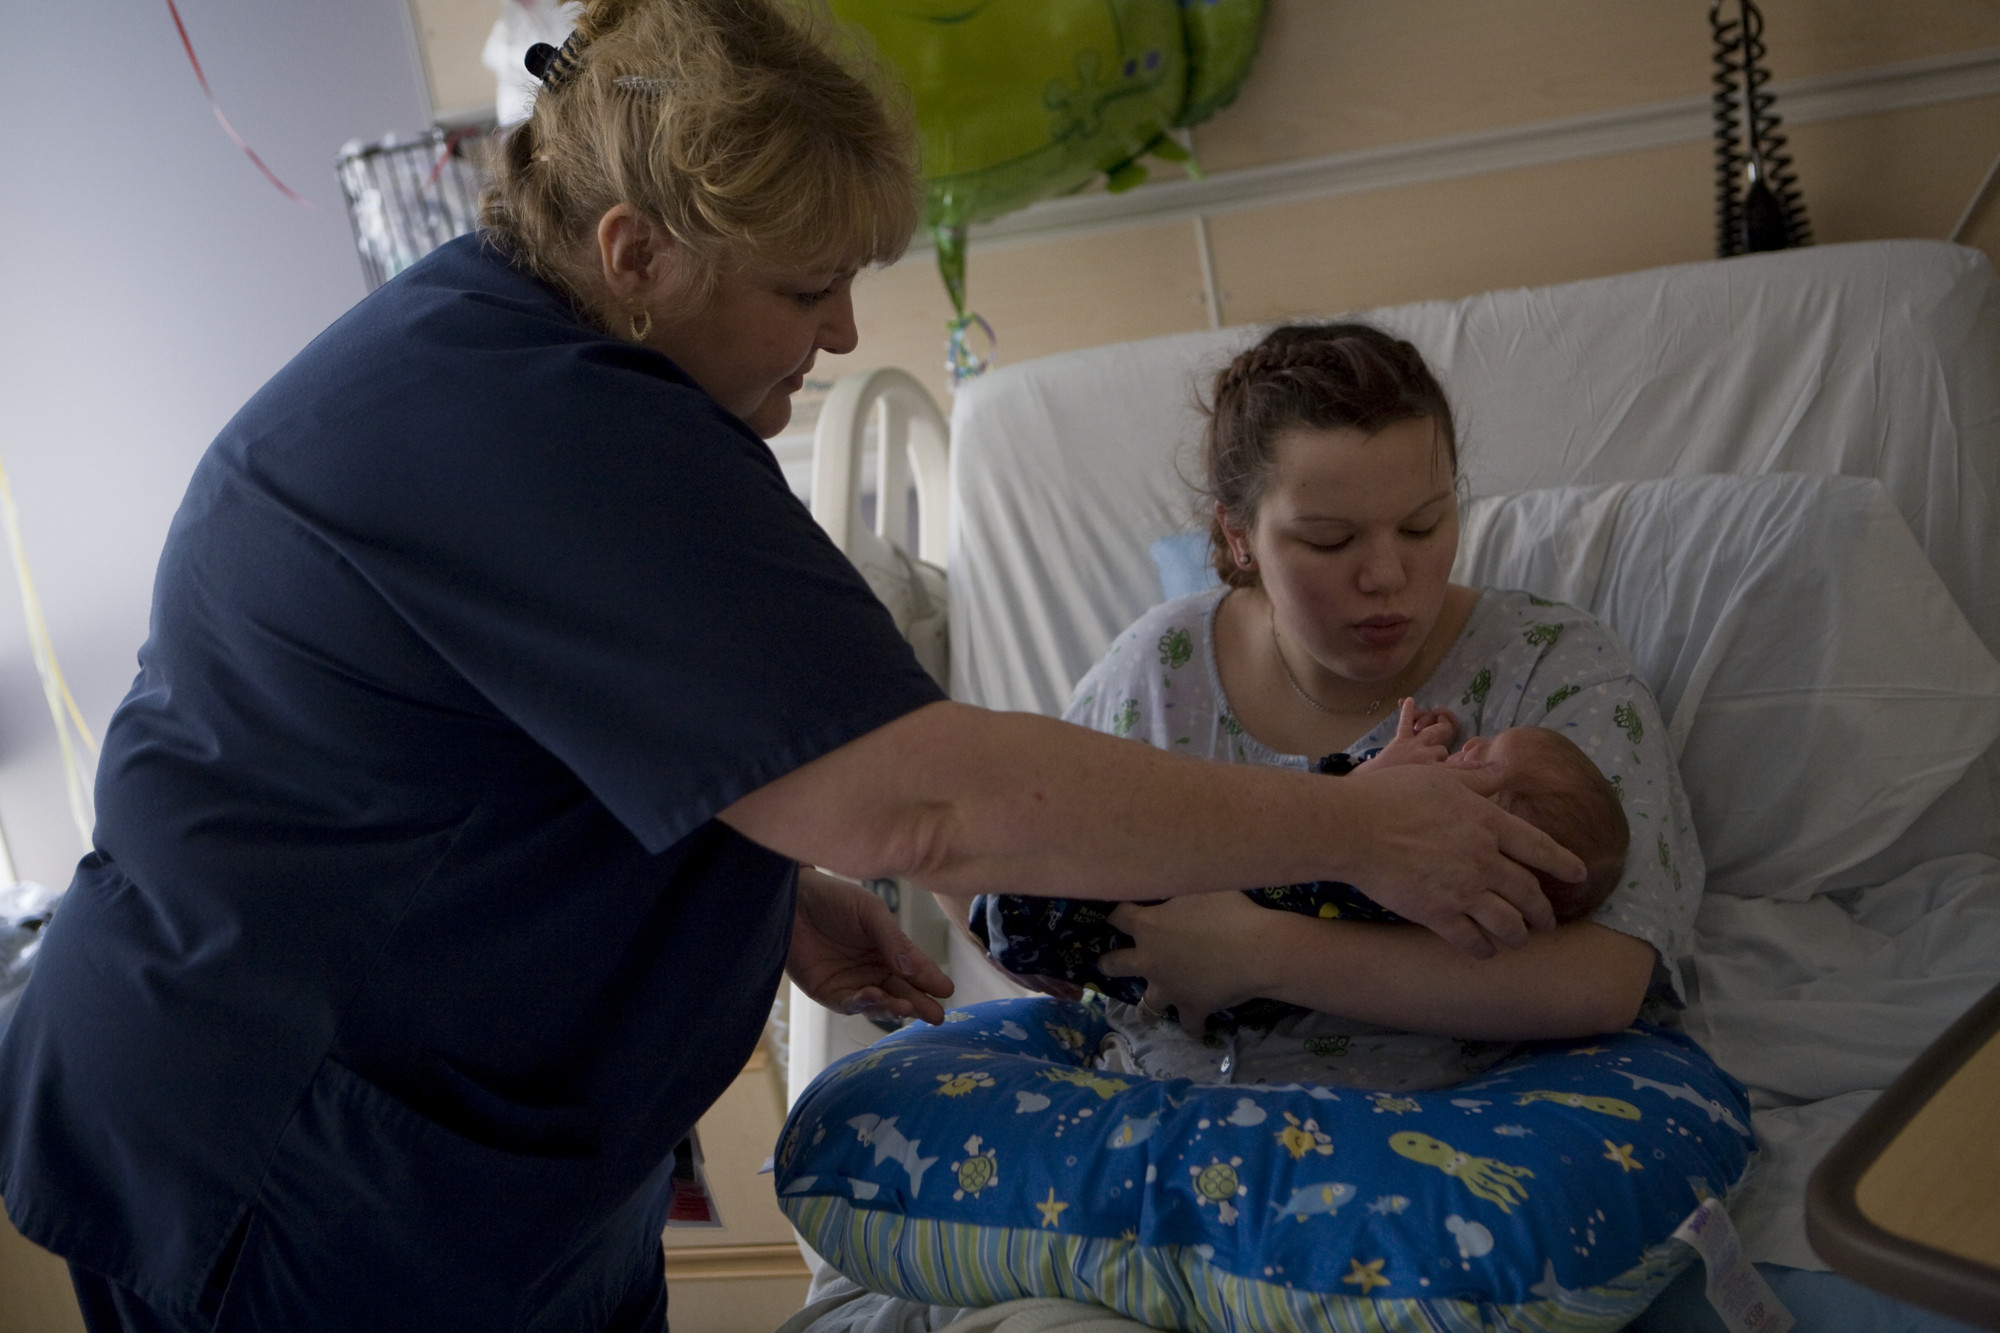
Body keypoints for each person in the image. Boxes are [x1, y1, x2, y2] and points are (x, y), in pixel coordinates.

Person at [0, 8, 1585, 1332]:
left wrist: (748, 884)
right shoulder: (531, 429)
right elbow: (926, 805)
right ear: (636, 252)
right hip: (295, 1160)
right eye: (806, 286)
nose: (838, 334)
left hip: (465, 1151)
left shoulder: (539, 368)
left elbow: (549, 729)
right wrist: (1360, 824)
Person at [1035, 320, 1702, 1092]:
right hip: (1175, 1111)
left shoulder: (1554, 668)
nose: (1386, 575)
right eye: (1329, 540)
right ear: (1239, 534)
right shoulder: (1155, 675)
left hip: (1467, 1122)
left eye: (1423, 525)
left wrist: (1258, 951)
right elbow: (996, 854)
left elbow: (1604, 977)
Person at [971, 705, 1631, 1026]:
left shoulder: (1423, 895)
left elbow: (1327, 855)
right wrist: (1383, 773)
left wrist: (1373, 786)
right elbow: (1331, 818)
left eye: (1484, 766)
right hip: (1175, 897)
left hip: (1173, 940)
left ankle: (1011, 911)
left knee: (1086, 899)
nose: (1474, 740)